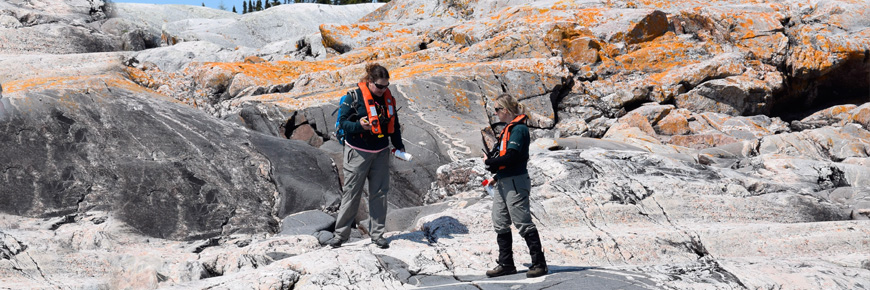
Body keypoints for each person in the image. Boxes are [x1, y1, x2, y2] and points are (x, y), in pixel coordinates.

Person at [326, 63, 405, 249]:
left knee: (380, 194)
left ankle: (377, 235)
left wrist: (399, 146)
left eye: (386, 86)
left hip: (381, 153)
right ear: (369, 82)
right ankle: (340, 235)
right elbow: (344, 123)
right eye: (379, 86)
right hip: (357, 153)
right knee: (352, 194)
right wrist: (360, 127)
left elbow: (395, 124)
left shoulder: (388, 98)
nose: (382, 89)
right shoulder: (352, 98)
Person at [483, 94, 548, 278]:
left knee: (523, 222)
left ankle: (539, 263)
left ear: (505, 110)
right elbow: (509, 159)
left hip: (515, 181)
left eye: (497, 110)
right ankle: (506, 263)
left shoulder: (519, 129)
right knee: (500, 221)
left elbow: (512, 157)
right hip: (504, 181)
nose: (495, 113)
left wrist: (490, 163)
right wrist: (496, 176)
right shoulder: (509, 129)